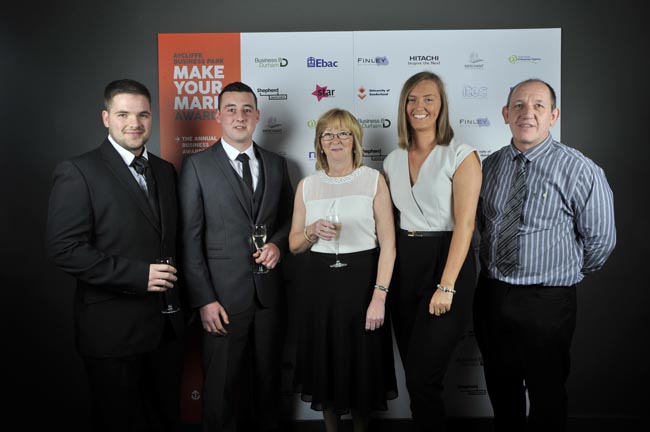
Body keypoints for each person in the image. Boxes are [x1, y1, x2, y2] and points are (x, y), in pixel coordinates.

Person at [474, 78, 616, 432]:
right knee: (501, 391)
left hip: (547, 301)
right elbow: (482, 224)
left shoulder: (579, 169)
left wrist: (559, 275)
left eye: (539, 105)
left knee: (547, 394)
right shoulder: (488, 167)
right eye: (519, 105)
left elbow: (601, 240)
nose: (528, 113)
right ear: (505, 114)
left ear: (554, 115)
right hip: (492, 294)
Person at [45, 79, 185, 431]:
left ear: (151, 118)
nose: (134, 123)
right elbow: (64, 249)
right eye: (123, 114)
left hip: (166, 329)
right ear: (106, 118)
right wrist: (138, 275)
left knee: (165, 420)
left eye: (143, 115)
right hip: (112, 332)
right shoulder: (79, 171)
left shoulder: (165, 171)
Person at [178, 81, 294, 432]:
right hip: (222, 300)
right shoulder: (197, 166)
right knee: (221, 390)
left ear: (257, 116)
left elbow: (290, 220)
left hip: (269, 296)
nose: (239, 116)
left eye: (246, 110)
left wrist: (278, 245)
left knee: (269, 387)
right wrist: (204, 299)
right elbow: (190, 240)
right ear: (218, 115)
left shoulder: (277, 164)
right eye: (231, 109)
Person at [383, 71, 482, 431]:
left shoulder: (461, 155)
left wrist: (447, 285)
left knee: (423, 377)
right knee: (415, 374)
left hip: (446, 263)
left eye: (428, 99)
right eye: (411, 99)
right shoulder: (392, 160)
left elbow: (466, 225)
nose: (419, 106)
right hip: (405, 266)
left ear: (441, 106)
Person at [289, 108, 398, 432]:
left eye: (343, 133)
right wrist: (311, 232)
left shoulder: (373, 180)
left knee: (362, 366)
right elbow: (294, 245)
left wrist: (379, 297)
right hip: (319, 287)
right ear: (319, 143)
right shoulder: (307, 186)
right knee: (325, 364)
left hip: (363, 285)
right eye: (327, 134)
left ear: (355, 140)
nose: (335, 140)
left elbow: (389, 246)